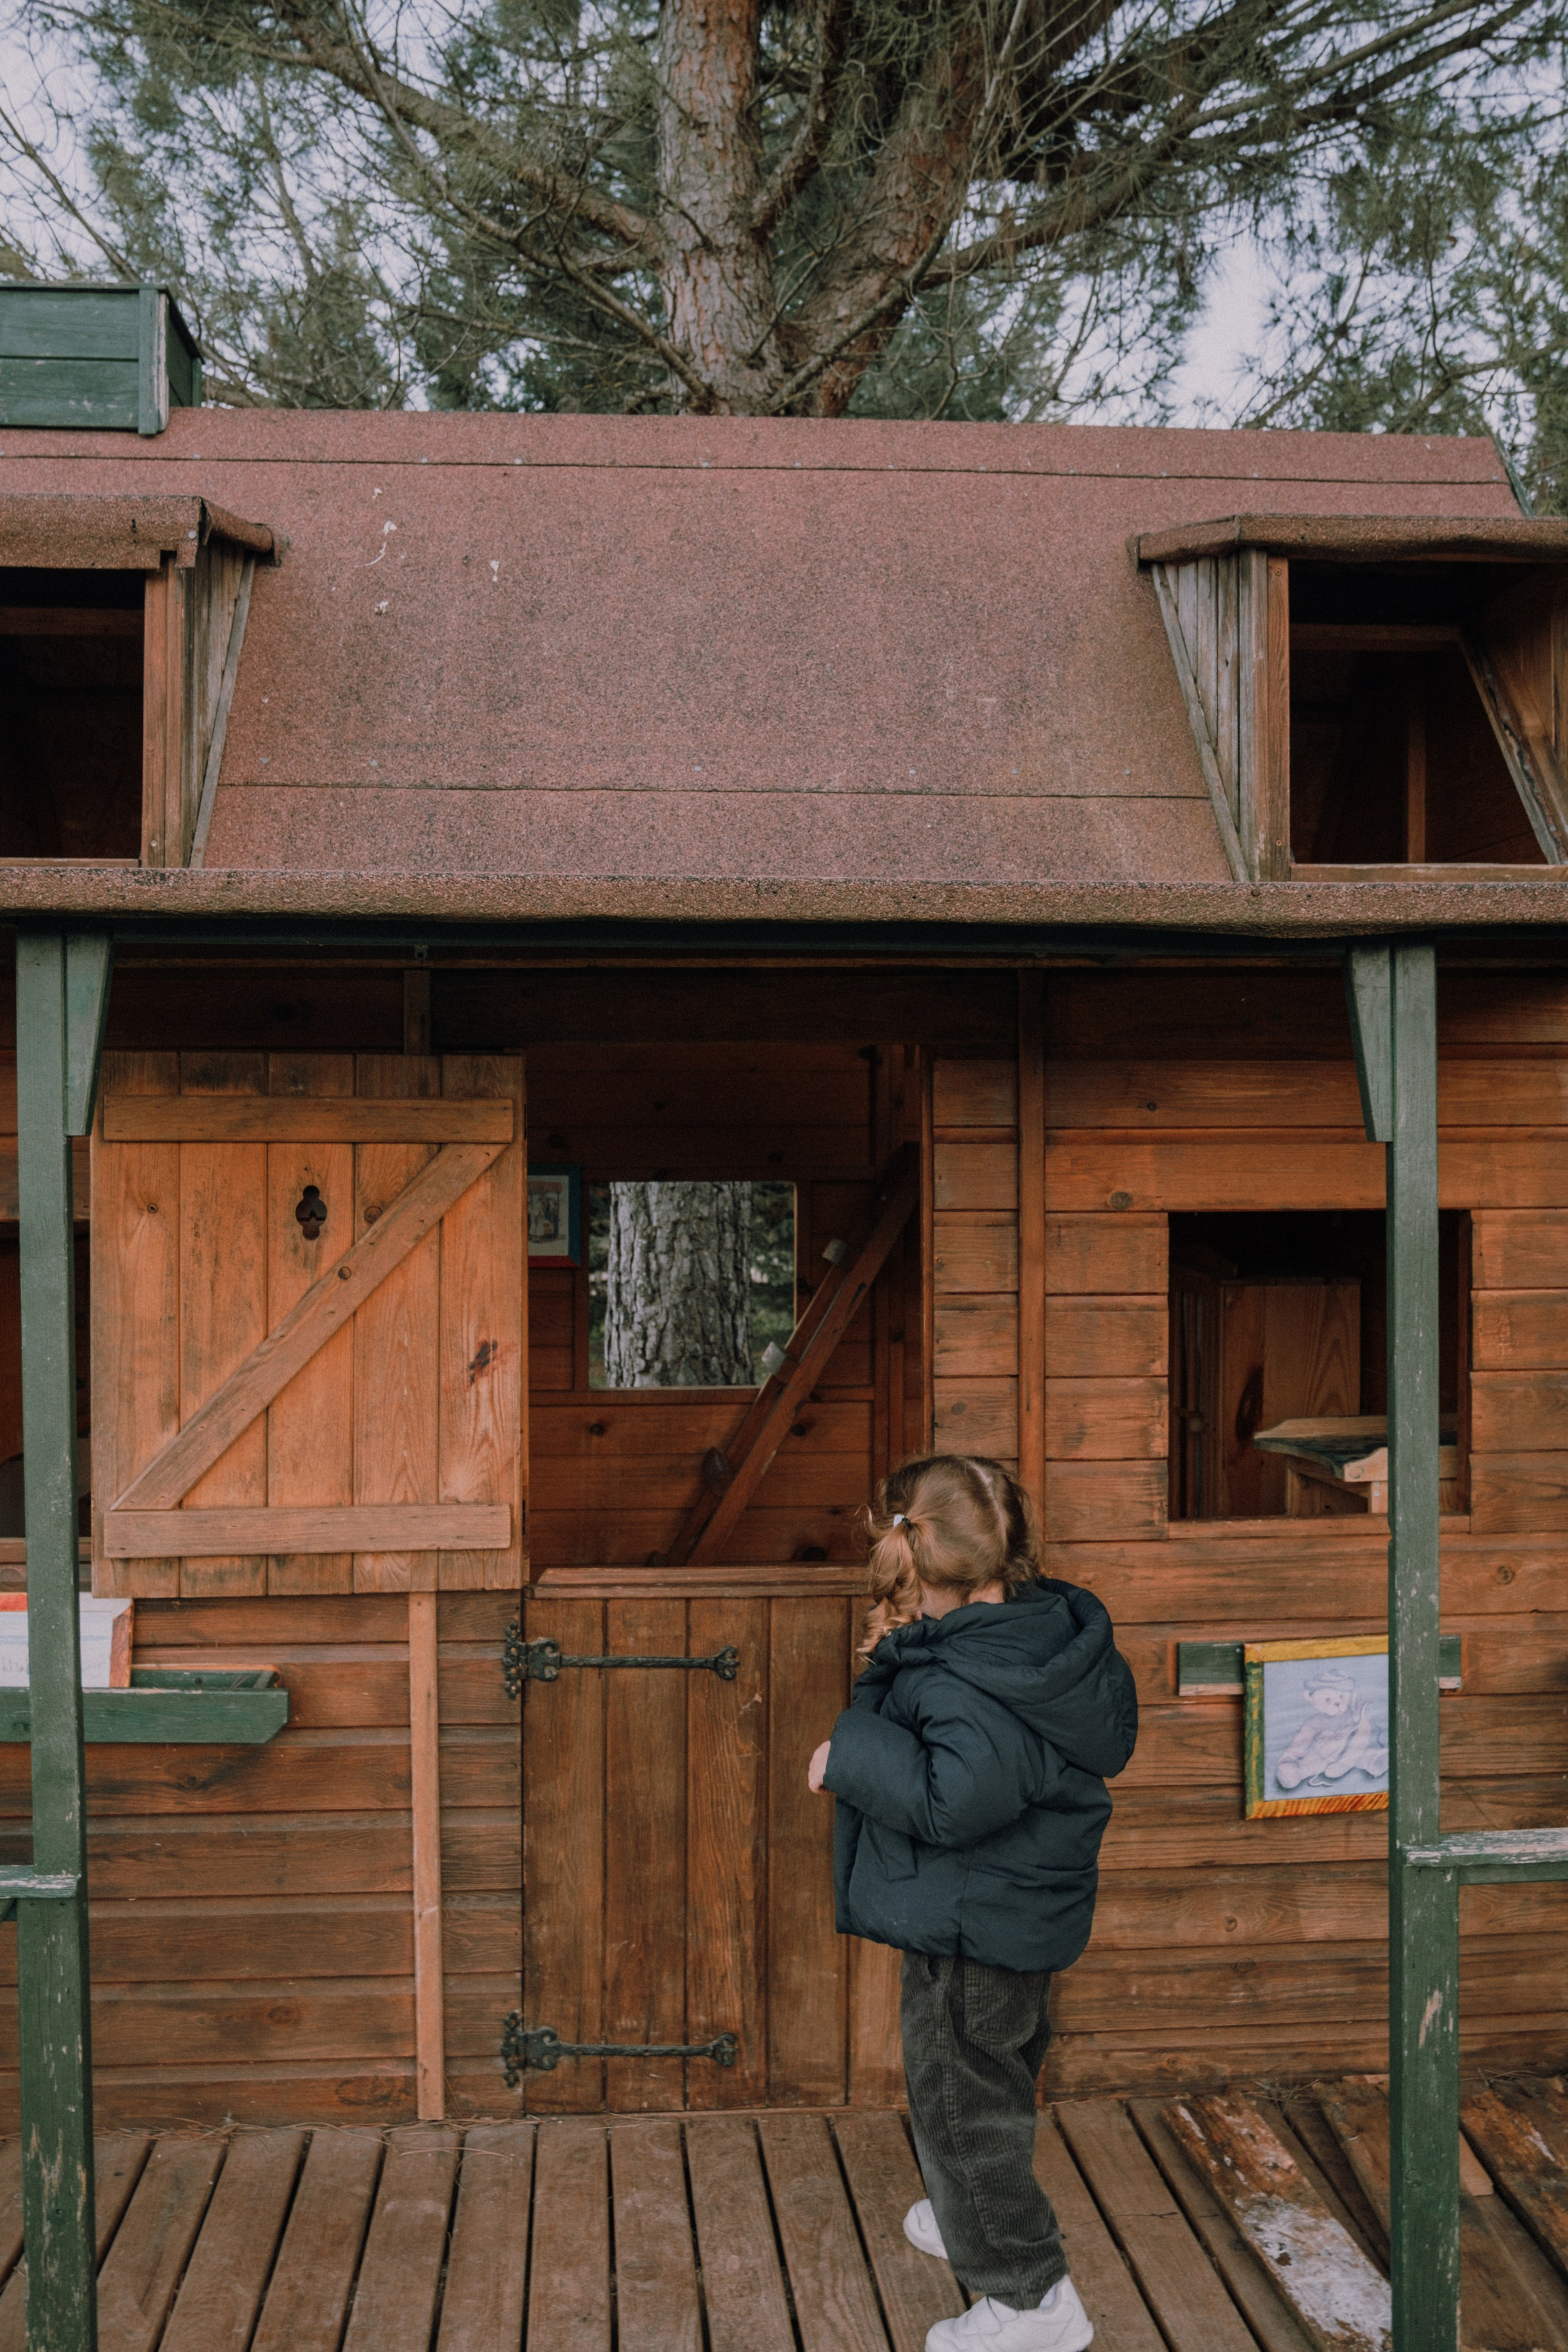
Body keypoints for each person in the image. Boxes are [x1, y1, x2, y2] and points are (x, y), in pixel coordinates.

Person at [808, 1453, 1137, 2352]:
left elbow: (958, 1802)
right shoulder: (1043, 1635)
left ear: (912, 1556)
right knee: (991, 2082)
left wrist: (848, 1759)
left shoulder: (963, 1674)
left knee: (962, 2109)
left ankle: (1032, 2302)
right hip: (1013, 1913)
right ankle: (969, 2213)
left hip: (975, 1926)